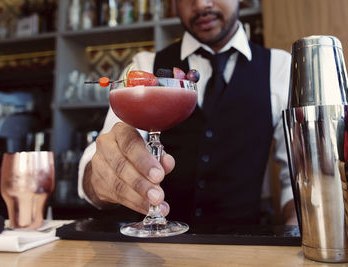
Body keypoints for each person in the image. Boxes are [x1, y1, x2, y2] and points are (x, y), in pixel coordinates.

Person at [78, 0, 297, 230]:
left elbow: (295, 178)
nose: (201, 4)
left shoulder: (280, 68)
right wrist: (100, 177)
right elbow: (97, 160)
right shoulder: (145, 67)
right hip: (160, 252)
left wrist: (295, 228)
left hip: (243, 249)